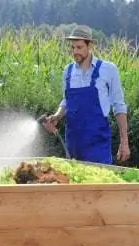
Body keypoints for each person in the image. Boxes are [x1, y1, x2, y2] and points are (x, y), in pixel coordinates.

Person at [42, 25, 130, 164]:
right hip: (73, 145)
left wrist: (124, 142)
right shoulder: (68, 71)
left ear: (89, 46)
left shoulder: (108, 69)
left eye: (79, 47)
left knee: (99, 184)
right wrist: (57, 115)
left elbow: (119, 107)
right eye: (72, 47)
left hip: (97, 146)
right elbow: (66, 100)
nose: (75, 51)